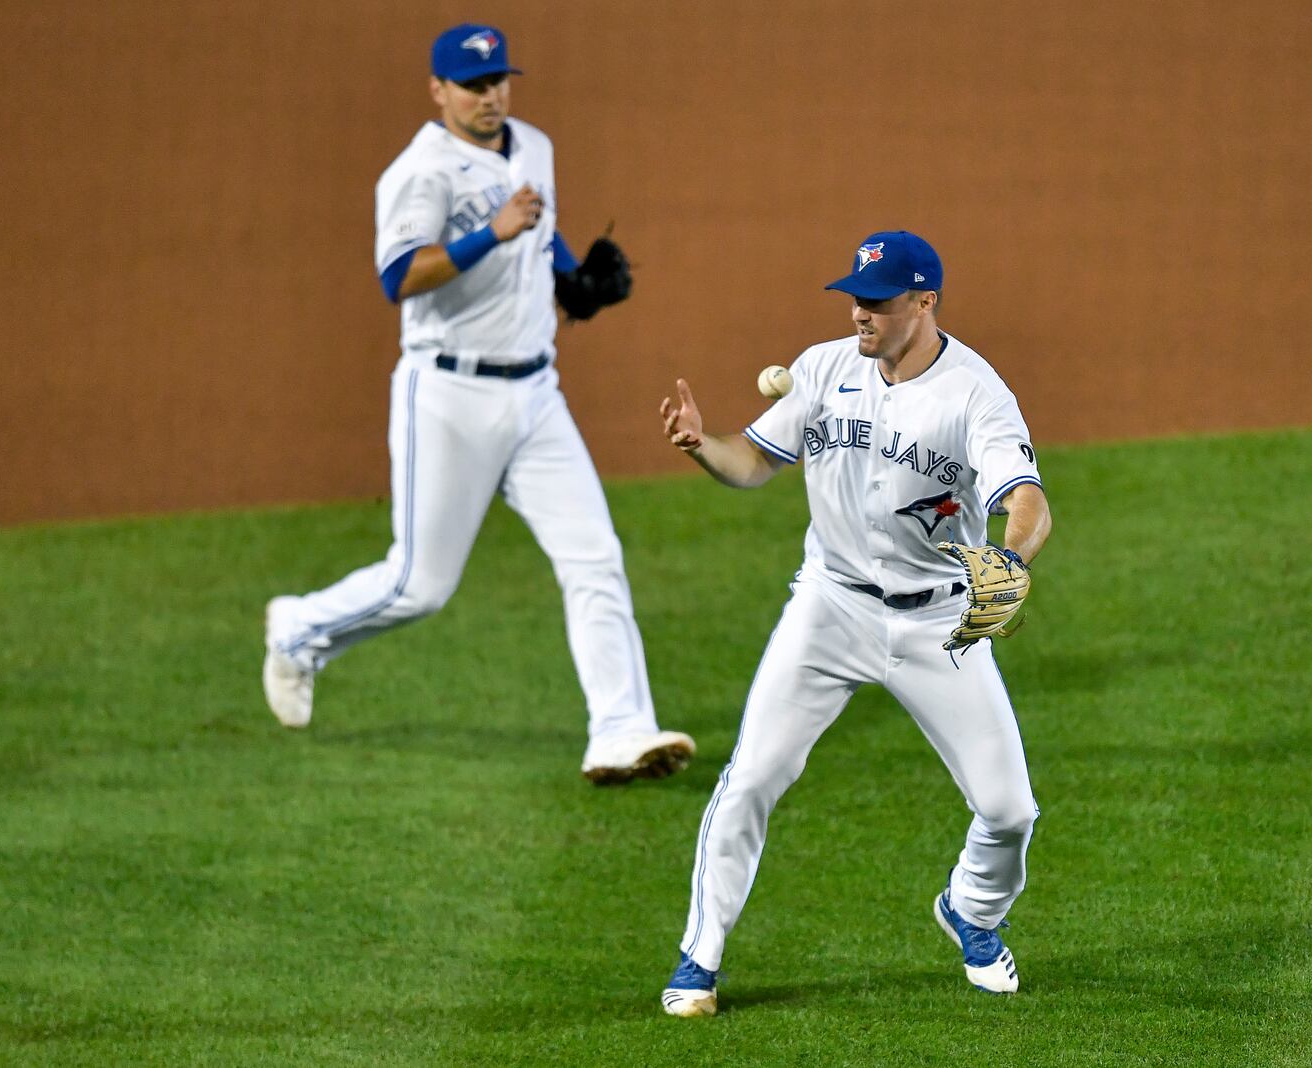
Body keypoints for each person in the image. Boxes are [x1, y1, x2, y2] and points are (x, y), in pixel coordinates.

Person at [262, 22, 694, 785]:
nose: (490, 96)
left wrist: (572, 278)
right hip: (448, 396)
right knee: (419, 586)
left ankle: (620, 731)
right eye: (473, 85)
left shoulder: (533, 143)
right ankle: (299, 629)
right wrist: (488, 236)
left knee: (594, 557)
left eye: (498, 81)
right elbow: (399, 276)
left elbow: (542, 227)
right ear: (438, 89)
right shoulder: (420, 172)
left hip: (536, 395)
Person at [656, 231, 1051, 1016]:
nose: (859, 313)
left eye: (876, 301)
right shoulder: (823, 367)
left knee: (1010, 811)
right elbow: (754, 461)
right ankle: (698, 959)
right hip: (828, 607)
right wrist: (704, 445)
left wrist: (1013, 562)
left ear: (925, 301)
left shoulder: (977, 394)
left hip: (936, 624)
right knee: (751, 779)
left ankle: (972, 910)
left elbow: (1027, 500)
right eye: (853, 298)